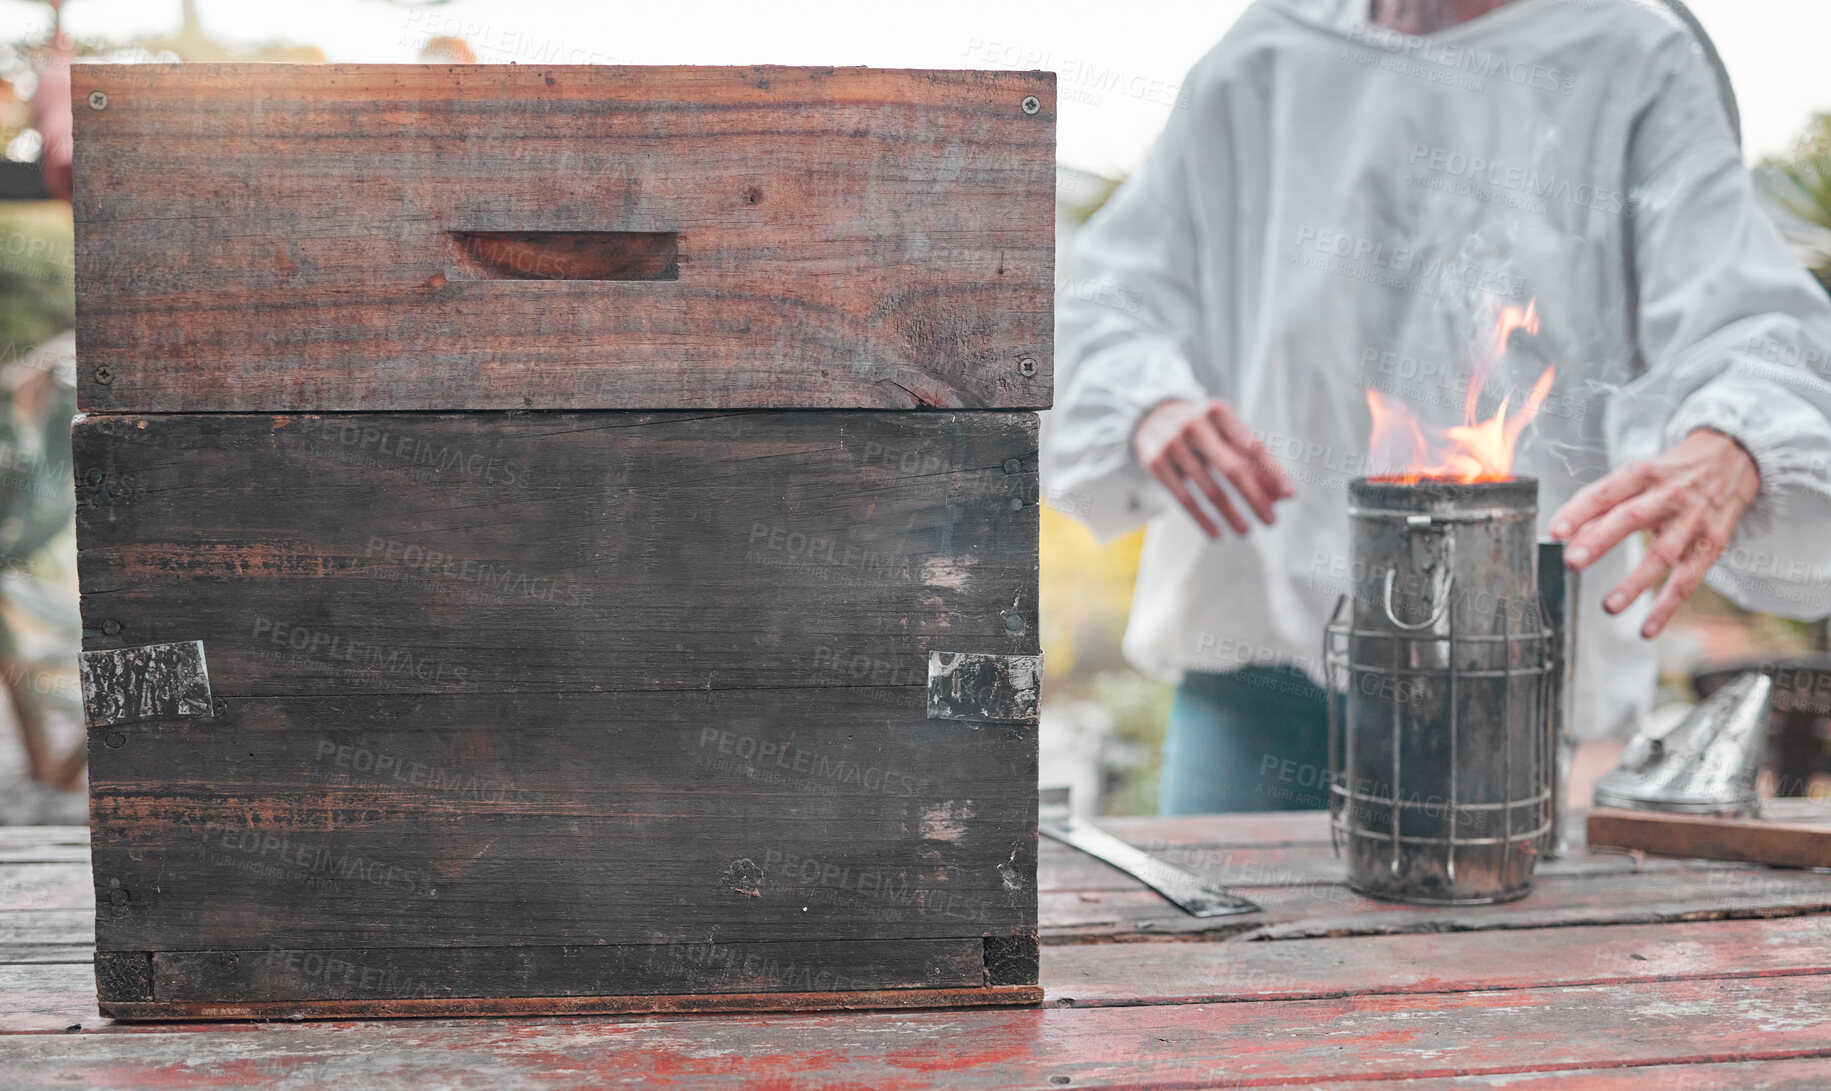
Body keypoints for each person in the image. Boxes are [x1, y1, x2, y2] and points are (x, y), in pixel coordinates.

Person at [1042, 0, 1831, 814]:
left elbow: (1750, 319)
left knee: (1458, 937)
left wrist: (1736, 435)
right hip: (1254, 654)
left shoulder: (1633, 55)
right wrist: (1145, 400)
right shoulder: (1268, 50)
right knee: (1214, 933)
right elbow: (1108, 295)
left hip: (1493, 672)